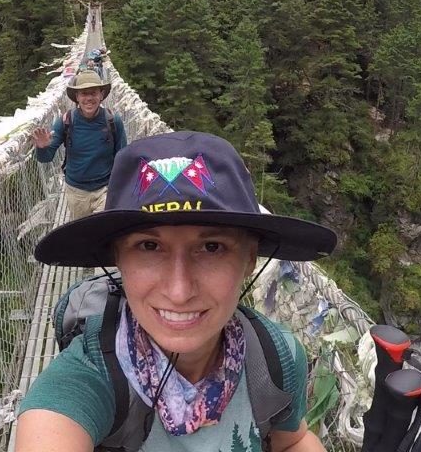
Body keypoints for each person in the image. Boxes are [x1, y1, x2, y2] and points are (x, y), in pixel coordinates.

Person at [17, 131, 337, 452]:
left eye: (212, 247)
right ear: (117, 259)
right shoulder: (87, 379)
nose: (180, 291)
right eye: (149, 246)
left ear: (249, 259)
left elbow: (291, 440)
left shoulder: (275, 357)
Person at [32, 70, 127, 221]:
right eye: (84, 94)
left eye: (93, 93)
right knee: (83, 233)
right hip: (77, 191)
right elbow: (46, 159)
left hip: (105, 188)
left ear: (101, 95)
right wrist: (42, 148)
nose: (89, 98)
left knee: (103, 227)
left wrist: (122, 187)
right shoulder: (65, 121)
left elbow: (122, 156)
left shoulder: (113, 121)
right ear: (77, 97)